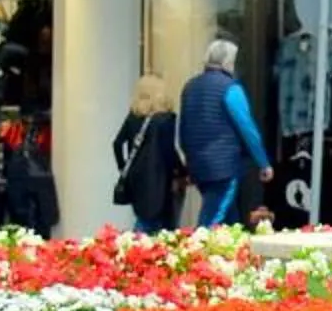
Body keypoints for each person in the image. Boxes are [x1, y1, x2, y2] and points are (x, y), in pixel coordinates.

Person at [175, 40, 273, 230]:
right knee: (211, 220)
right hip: (224, 166)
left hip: (198, 164)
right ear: (228, 62)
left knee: (230, 220)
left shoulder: (190, 87)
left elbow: (183, 128)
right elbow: (247, 127)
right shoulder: (230, 88)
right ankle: (197, 254)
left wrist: (189, 160)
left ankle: (236, 256)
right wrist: (263, 163)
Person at [111, 74, 183, 234]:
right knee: (155, 224)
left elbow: (117, 144)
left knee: (144, 218)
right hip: (159, 180)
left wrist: (123, 169)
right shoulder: (165, 119)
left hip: (136, 180)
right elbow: (169, 152)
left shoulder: (134, 116)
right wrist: (182, 171)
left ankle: (136, 249)